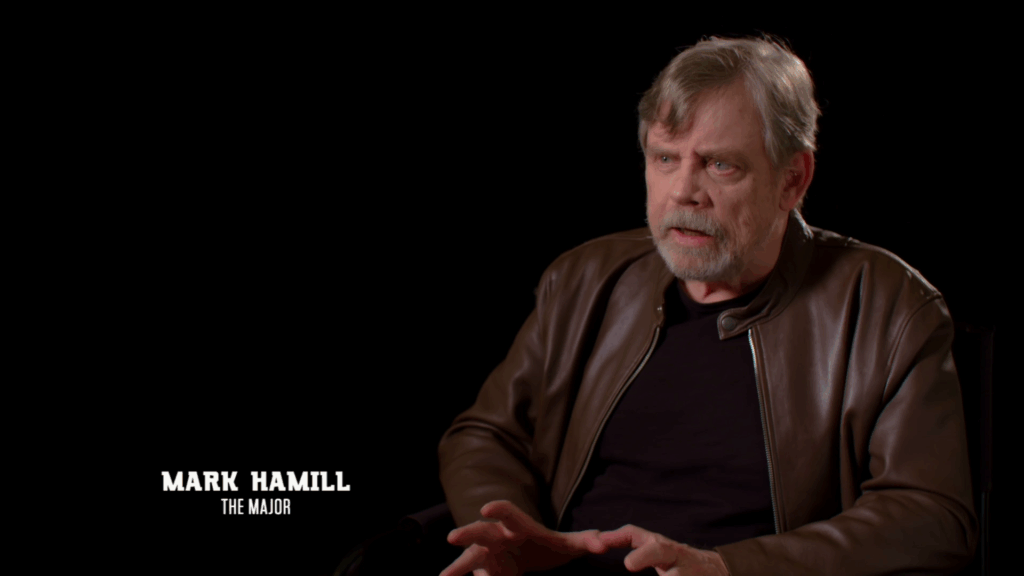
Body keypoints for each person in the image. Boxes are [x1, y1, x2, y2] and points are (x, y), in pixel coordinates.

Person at [437, 36, 977, 576]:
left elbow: (931, 516)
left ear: (792, 180)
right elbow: (487, 435)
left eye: (719, 165)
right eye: (665, 158)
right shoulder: (584, 279)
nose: (682, 192)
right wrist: (513, 534)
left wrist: (724, 568)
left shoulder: (886, 306)